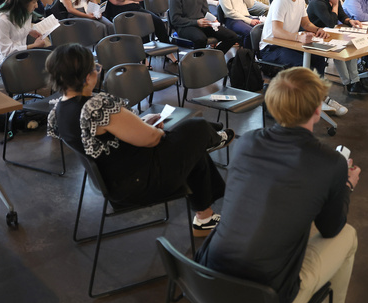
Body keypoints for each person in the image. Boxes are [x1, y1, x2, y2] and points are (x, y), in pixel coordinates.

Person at [195, 67, 360, 303]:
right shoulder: (331, 163)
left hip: (206, 284)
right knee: (348, 236)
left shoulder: (246, 142)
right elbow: (332, 228)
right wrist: (347, 187)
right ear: (318, 110)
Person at [46, 43, 232, 235]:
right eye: (95, 67)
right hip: (139, 182)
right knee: (196, 127)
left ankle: (205, 218)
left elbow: (108, 136)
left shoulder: (60, 109)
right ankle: (213, 138)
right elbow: (152, 139)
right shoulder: (95, 107)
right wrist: (156, 132)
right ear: (86, 77)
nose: (97, 71)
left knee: (192, 146)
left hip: (115, 180)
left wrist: (142, 124)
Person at [307, 0, 368, 95]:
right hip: (314, 36)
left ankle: (355, 81)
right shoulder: (318, 1)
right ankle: (349, 83)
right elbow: (331, 23)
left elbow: (341, 15)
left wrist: (349, 21)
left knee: (350, 46)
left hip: (327, 34)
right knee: (340, 49)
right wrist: (335, 5)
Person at [260, 0, 328, 76]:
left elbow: (306, 24)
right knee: (303, 65)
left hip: (288, 43)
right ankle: (304, 92)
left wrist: (318, 30)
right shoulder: (280, 2)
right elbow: (277, 31)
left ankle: (318, 91)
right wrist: (298, 38)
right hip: (272, 47)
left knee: (318, 58)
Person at [0, 0, 48, 69]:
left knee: (55, 53)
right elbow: (6, 51)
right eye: (34, 2)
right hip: (7, 61)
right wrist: (33, 46)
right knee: (49, 61)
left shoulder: (25, 13)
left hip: (22, 54)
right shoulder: (1, 20)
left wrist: (29, 30)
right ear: (23, 2)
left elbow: (17, 29)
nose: (36, 6)